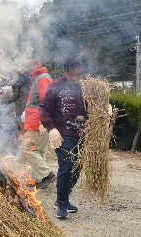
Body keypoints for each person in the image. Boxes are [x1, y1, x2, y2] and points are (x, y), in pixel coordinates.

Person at [40, 57, 89, 219]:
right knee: (67, 165)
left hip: (82, 134)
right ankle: (61, 204)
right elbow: (44, 109)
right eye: (72, 75)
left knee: (77, 168)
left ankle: (64, 199)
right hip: (62, 134)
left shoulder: (87, 86)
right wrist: (51, 129)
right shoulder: (56, 86)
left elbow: (96, 105)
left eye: (78, 75)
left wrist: (105, 109)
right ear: (66, 72)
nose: (75, 78)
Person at [22, 59, 55, 189]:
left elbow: (47, 101)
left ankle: (47, 175)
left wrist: (43, 121)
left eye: (30, 65)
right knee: (39, 151)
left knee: (28, 150)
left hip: (37, 122)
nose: (28, 68)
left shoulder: (42, 78)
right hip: (37, 121)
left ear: (38, 65)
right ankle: (41, 178)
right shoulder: (39, 78)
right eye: (27, 65)